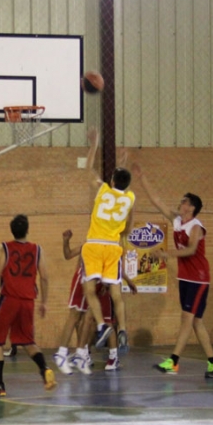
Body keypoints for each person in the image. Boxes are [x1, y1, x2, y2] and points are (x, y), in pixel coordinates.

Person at [132, 164, 213, 377]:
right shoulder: (177, 220)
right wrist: (142, 178)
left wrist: (166, 254)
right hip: (186, 278)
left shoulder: (196, 226)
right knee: (196, 322)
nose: (180, 203)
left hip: (198, 279)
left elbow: (191, 250)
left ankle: (173, 362)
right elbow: (157, 201)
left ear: (191, 207)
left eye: (184, 201)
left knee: (187, 320)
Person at [0, 215, 56, 396]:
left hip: (9, 299)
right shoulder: (37, 250)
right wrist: (44, 302)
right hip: (28, 302)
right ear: (27, 230)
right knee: (28, 342)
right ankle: (44, 369)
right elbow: (45, 277)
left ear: (12, 230)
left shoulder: (6, 248)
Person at [54, 230, 137, 375]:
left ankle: (86, 354)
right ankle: (75, 353)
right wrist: (66, 241)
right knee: (79, 317)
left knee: (96, 320)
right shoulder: (89, 245)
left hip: (101, 285)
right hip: (88, 281)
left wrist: (127, 281)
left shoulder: (111, 248)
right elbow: (68, 255)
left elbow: (117, 268)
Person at [81, 128, 135, 352]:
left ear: (111, 180)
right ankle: (123, 329)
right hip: (113, 247)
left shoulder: (103, 190)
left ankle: (102, 325)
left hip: (94, 244)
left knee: (89, 290)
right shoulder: (130, 198)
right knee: (116, 293)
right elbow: (123, 186)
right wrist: (124, 163)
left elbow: (89, 169)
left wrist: (94, 144)